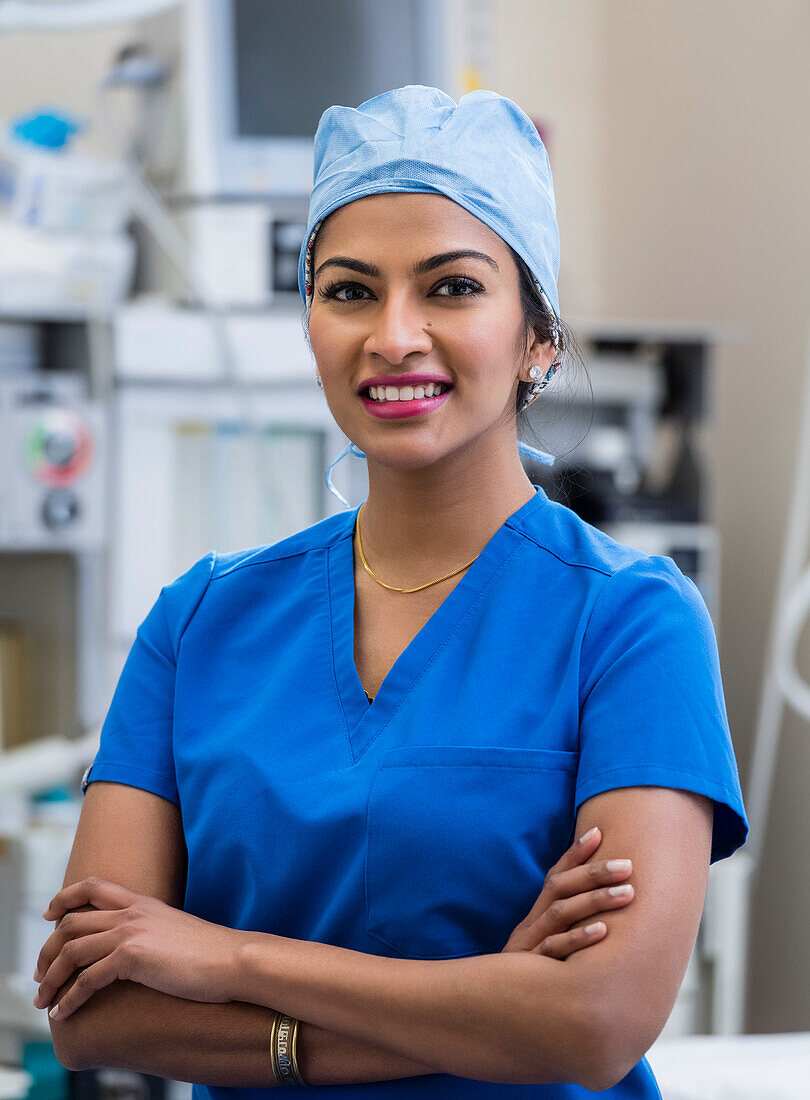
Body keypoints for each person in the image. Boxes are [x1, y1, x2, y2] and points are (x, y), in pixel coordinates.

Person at [32, 86, 748, 1097]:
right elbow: (93, 1010)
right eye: (350, 290)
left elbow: (597, 1019)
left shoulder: (630, 623)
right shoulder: (197, 624)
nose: (394, 335)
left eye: (452, 288)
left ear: (538, 336)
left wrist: (227, 958)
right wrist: (490, 998)